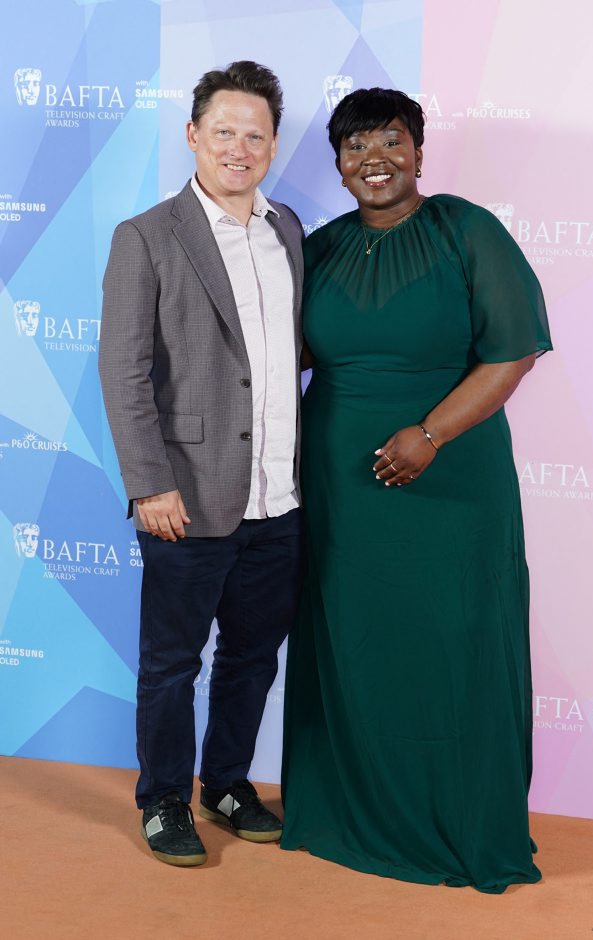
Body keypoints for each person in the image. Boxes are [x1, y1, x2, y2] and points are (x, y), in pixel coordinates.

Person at [280, 87, 552, 894]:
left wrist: (429, 435)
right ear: (338, 164)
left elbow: (512, 352)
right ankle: (347, 813)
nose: (375, 159)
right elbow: (283, 352)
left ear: (419, 152)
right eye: (356, 147)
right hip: (341, 486)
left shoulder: (466, 231)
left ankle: (461, 824)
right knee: (354, 640)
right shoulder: (320, 248)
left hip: (452, 482)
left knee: (454, 642)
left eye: (391, 141)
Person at [99, 61, 304, 867]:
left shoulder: (287, 231)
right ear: (193, 135)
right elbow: (122, 370)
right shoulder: (146, 236)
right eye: (224, 131)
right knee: (172, 664)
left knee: (252, 659)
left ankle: (225, 783)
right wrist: (149, 482)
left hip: (279, 499)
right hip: (185, 494)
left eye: (255, 135)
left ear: (273, 145)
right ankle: (162, 799)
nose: (238, 148)